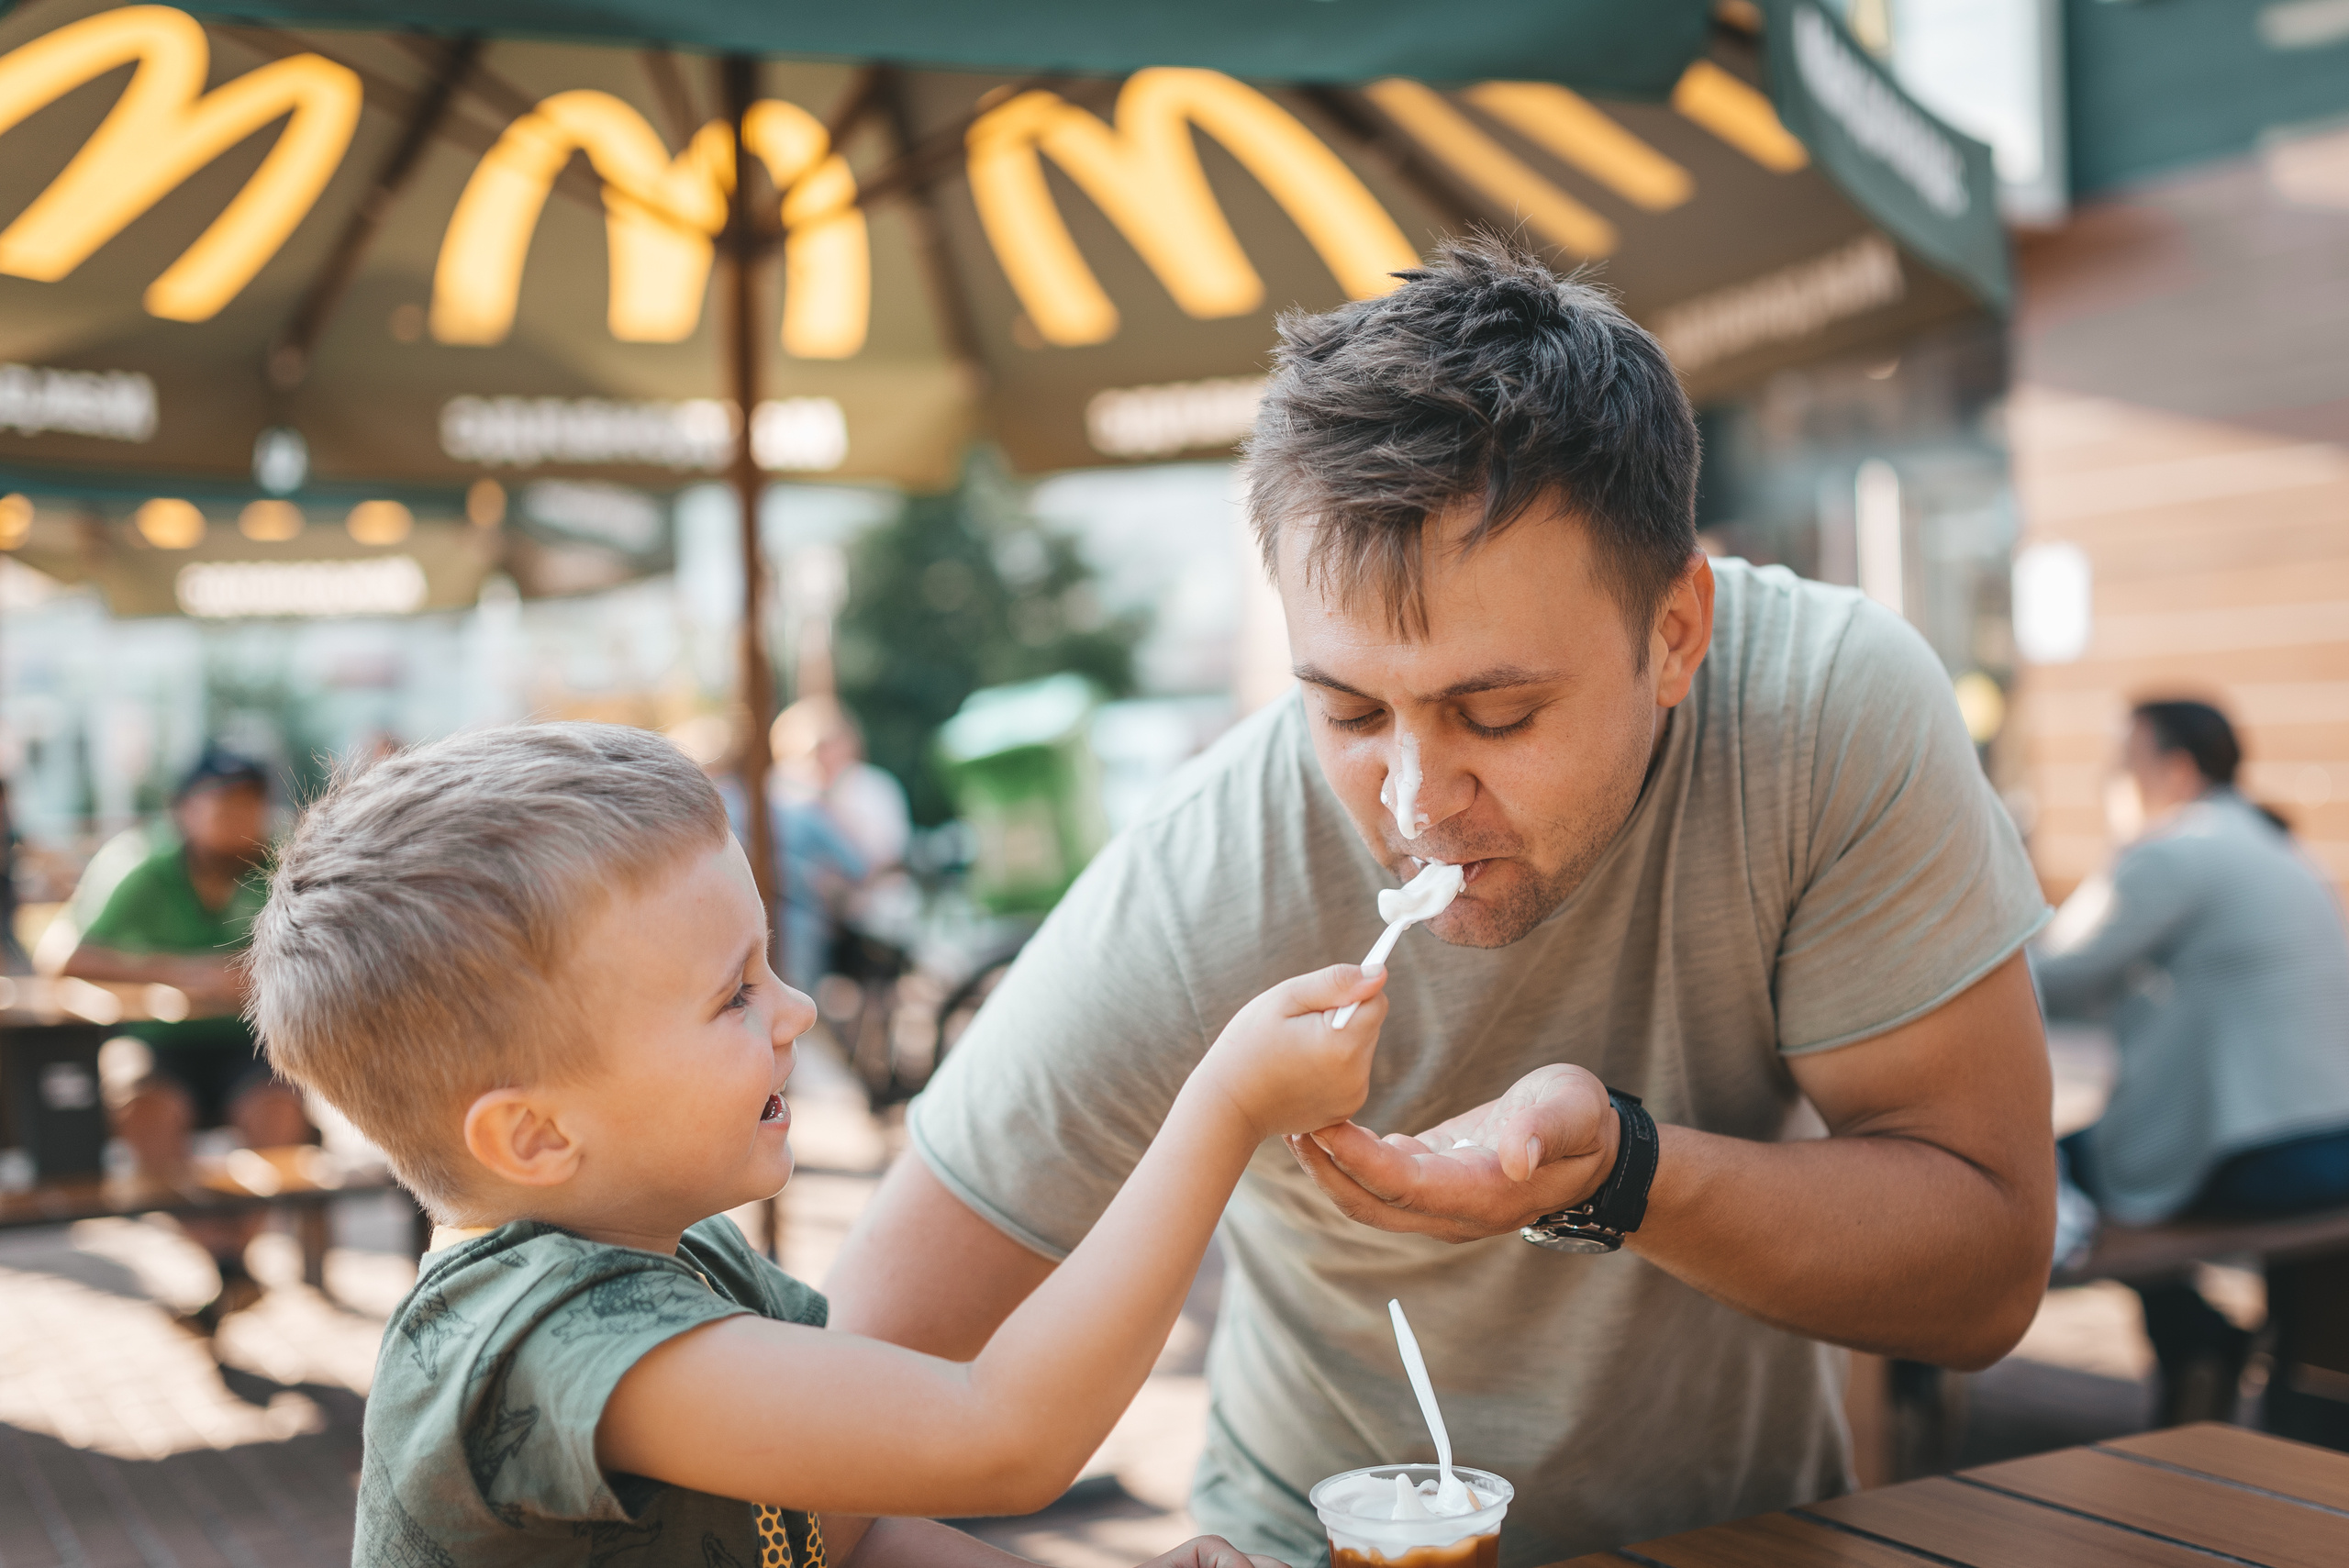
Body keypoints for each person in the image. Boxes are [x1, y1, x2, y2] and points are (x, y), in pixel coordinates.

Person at [822, 239, 2057, 1563]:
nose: (1413, 800)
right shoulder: (1210, 877)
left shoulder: (1822, 715)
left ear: (1677, 635)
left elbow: (1987, 1273)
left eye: (1498, 712)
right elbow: (821, 1424)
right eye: (1349, 710)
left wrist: (1628, 1173)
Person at [242, 721, 1389, 1568]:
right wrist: (1224, 1108)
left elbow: (840, 1528)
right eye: (732, 995)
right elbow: (1006, 1434)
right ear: (535, 1131)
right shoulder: (534, 1341)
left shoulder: (688, 1260)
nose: (792, 1009)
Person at [2037, 699, 2349, 1423]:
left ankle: (2191, 1338)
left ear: (2174, 770)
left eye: (2122, 764)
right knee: (2098, 1158)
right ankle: (2200, 1343)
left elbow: (2049, 977)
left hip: (2257, 1157)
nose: (2111, 782)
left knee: (2031, 1168)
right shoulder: (2280, 846)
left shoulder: (2174, 849)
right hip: (2333, 1143)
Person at [62, 745, 309, 1330]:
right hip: (157, 1042)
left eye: (251, 804)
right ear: (182, 809)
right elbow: (67, 958)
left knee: (279, 1112)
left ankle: (231, 1263)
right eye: (224, 804)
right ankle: (228, 1263)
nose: (239, 818)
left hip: (252, 1043)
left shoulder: (281, 860)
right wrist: (180, 972)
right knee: (147, 1111)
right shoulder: (138, 865)